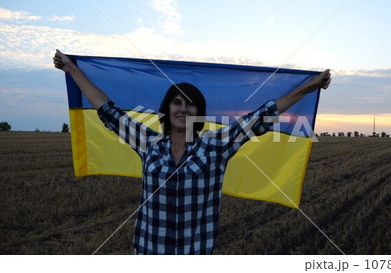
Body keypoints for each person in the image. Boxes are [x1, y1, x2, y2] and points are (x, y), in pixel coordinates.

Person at [53, 49, 331, 254]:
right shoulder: (147, 143)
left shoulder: (216, 146)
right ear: (167, 109)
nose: (183, 109)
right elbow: (106, 110)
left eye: (190, 105)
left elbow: (263, 116)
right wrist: (73, 70)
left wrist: (309, 87)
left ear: (199, 113)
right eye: (176, 103)